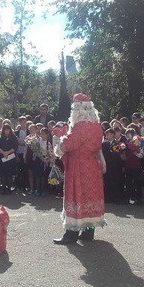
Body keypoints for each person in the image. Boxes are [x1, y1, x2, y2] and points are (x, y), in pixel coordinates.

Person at [52, 93, 106, 244]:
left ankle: (71, 234)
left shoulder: (80, 127)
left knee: (76, 195)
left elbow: (68, 145)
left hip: (79, 167)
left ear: (77, 110)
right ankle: (88, 231)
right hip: (93, 167)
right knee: (90, 195)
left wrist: (60, 139)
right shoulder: (97, 127)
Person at [0, 124, 19, 194]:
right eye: (5, 130)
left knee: (9, 174)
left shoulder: (14, 137)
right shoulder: (0, 138)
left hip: (11, 158)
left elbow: (15, 147)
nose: (6, 131)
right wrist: (3, 152)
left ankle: (9, 188)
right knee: (3, 174)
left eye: (8, 129)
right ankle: (3, 188)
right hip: (2, 157)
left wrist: (7, 152)